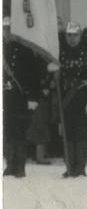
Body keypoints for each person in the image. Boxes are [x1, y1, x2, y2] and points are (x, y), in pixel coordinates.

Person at [59, 22, 87, 177]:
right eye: (69, 35)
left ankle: (81, 167)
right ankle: (70, 166)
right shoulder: (61, 54)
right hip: (66, 100)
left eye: (75, 35)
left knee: (81, 134)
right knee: (68, 134)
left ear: (80, 36)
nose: (72, 38)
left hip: (83, 100)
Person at [3, 17, 43, 178]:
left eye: (9, 29)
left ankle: (20, 166)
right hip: (5, 98)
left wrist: (33, 97)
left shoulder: (26, 51)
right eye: (5, 29)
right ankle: (10, 164)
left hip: (21, 98)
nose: (7, 32)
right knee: (6, 132)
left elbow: (34, 76)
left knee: (20, 133)